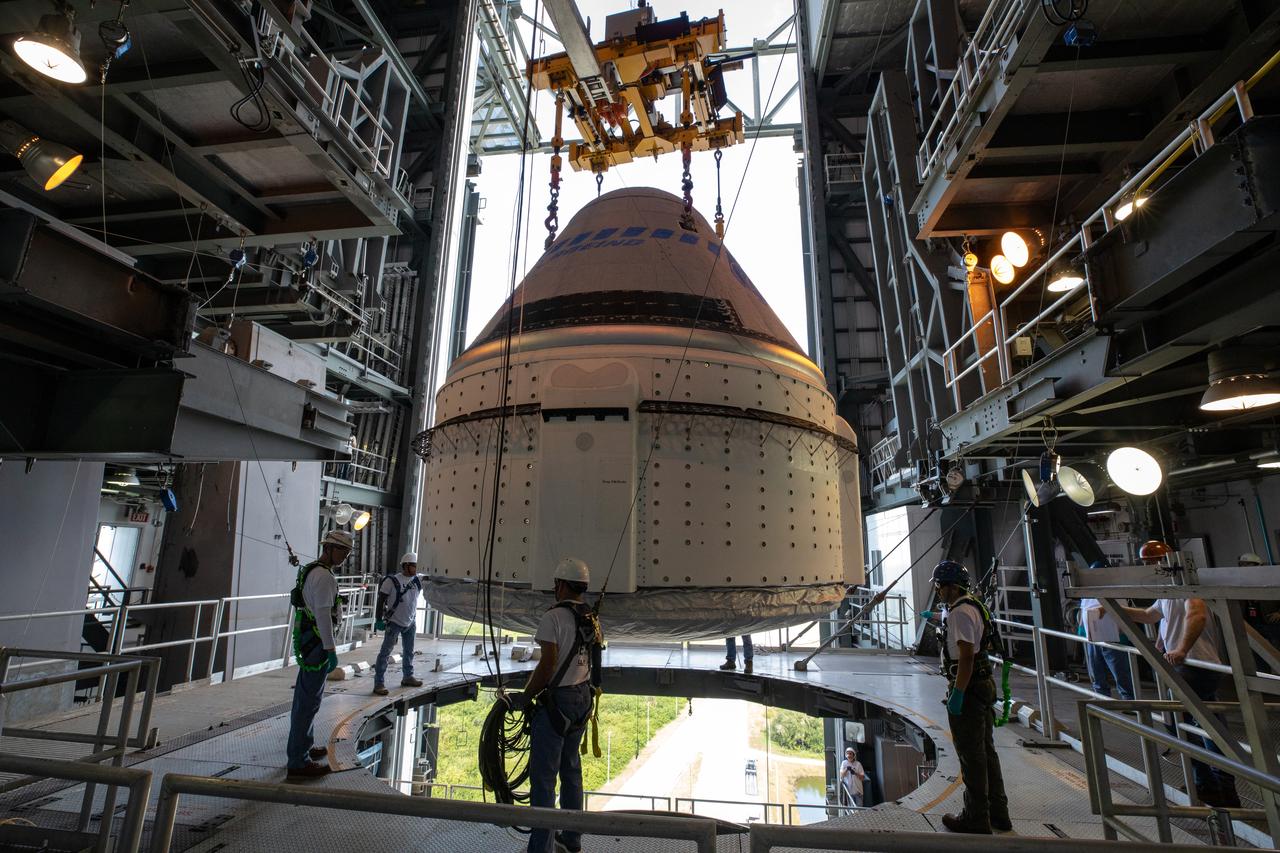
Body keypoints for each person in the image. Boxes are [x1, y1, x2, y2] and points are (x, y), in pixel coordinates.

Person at [506, 558, 601, 853]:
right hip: (582, 699)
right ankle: (572, 838)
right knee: (571, 770)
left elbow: (547, 665)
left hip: (558, 701)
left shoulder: (554, 618)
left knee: (544, 778)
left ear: (560, 585)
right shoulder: (592, 618)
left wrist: (525, 696)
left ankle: (540, 848)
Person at [1115, 596, 1241, 808]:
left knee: (1179, 723)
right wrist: (1113, 607)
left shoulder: (1184, 587)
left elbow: (1197, 614)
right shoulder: (1166, 593)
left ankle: (1212, 785)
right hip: (1189, 667)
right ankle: (1217, 786)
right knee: (1207, 724)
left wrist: (1181, 649)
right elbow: (1148, 615)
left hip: (1195, 666)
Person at [926, 560, 1010, 834]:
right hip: (983, 685)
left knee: (971, 756)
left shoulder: (960, 613)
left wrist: (958, 693)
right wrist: (937, 618)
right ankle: (998, 813)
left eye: (939, 586)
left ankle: (975, 817)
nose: (937, 591)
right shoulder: (971, 605)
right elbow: (962, 627)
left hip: (970, 687)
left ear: (950, 587)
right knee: (987, 753)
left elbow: (965, 656)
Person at [285, 529, 352, 779]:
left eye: (347, 552)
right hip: (317, 644)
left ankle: (303, 747)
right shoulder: (324, 578)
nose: (345, 556)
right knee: (308, 702)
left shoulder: (311, 570)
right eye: (342, 551)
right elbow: (323, 615)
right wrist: (330, 649)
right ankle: (298, 762)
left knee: (305, 699)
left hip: (309, 641)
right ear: (329, 549)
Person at [372, 552, 425, 696]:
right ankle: (379, 683)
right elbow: (381, 600)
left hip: (410, 622)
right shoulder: (391, 581)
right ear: (406, 566)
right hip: (394, 622)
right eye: (414, 565)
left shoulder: (417, 581)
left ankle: (408, 677)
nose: (416, 568)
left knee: (409, 651)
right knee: (385, 653)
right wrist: (378, 619)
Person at [1080, 598, 1136, 700]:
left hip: (1112, 632)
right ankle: (1100, 695)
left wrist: (1122, 629)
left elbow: (1120, 606)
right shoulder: (1086, 589)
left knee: (1119, 670)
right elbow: (1084, 606)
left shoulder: (1111, 585)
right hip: (1092, 633)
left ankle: (1129, 698)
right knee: (1095, 668)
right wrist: (1082, 626)